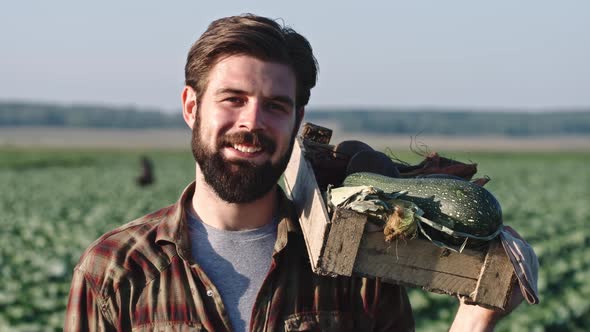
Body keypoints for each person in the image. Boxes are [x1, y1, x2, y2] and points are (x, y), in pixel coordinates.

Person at [65, 14, 522, 331]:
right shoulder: (116, 271)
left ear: (296, 120)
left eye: (275, 106)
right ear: (191, 106)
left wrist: (475, 319)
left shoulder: (357, 270)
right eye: (233, 99)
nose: (252, 122)